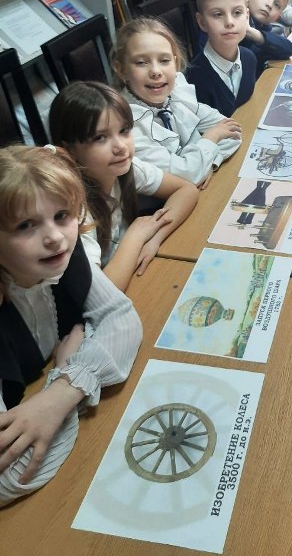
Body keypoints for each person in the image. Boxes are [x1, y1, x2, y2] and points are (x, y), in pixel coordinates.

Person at [0, 145, 142, 506]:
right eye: (25, 225)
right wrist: (62, 375)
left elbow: (121, 319)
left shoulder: (62, 254)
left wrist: (64, 389)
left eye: (62, 215)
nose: (55, 237)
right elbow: (8, 479)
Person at [48, 82, 199, 291]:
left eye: (124, 130)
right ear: (69, 150)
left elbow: (186, 190)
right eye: (100, 138)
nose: (120, 146)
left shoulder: (125, 168)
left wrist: (154, 238)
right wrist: (136, 235)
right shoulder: (73, 209)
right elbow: (103, 292)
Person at [112, 16, 242, 187]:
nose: (156, 71)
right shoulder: (125, 127)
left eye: (164, 60)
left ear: (175, 62)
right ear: (121, 70)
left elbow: (233, 132)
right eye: (141, 62)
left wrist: (211, 163)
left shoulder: (177, 94)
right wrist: (211, 138)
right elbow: (186, 176)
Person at [186, 0, 257, 116]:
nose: (229, 22)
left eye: (237, 13)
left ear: (247, 16)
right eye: (218, 14)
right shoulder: (193, 77)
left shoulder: (250, 59)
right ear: (202, 22)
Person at [245, 0, 292, 74]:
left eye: (277, 5)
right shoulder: (235, 18)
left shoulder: (263, 27)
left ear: (278, 16)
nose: (270, 5)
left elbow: (288, 48)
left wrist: (254, 34)